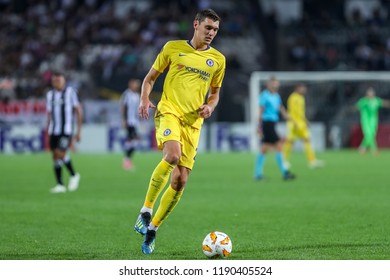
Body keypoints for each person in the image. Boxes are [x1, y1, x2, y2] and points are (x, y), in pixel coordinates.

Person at [134, 9, 225, 254]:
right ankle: (145, 210)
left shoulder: (218, 59)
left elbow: (215, 93)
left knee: (180, 179)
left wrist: (210, 106)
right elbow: (150, 78)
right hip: (169, 111)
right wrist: (144, 99)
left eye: (215, 30)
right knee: (172, 155)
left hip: (193, 123)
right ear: (195, 24)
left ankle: (152, 229)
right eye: (207, 28)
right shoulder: (173, 48)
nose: (211, 33)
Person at [45, 71, 82, 193]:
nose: (57, 82)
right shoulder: (50, 95)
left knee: (60, 153)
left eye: (59, 80)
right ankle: (60, 185)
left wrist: (78, 131)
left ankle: (74, 174)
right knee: (55, 156)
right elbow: (49, 114)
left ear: (64, 80)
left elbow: (78, 111)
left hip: (66, 130)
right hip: (53, 130)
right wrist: (47, 130)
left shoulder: (70, 92)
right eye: (54, 80)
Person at [254, 77, 295, 181]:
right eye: (273, 84)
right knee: (279, 146)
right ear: (268, 85)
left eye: (276, 84)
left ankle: (258, 174)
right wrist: (259, 126)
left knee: (264, 148)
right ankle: (285, 173)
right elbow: (260, 110)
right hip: (267, 123)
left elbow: (281, 109)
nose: (275, 85)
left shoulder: (277, 96)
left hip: (273, 124)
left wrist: (290, 118)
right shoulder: (264, 96)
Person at [283, 83, 324, 168]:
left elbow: (301, 113)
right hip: (294, 124)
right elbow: (291, 112)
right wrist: (294, 123)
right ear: (297, 88)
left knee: (307, 140)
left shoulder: (301, 98)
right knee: (290, 142)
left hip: (301, 123)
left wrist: (305, 121)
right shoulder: (293, 98)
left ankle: (312, 161)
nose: (304, 90)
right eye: (302, 88)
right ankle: (284, 161)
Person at [355, 87, 390, 154]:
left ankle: (362, 148)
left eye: (372, 93)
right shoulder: (364, 101)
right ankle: (374, 149)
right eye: (369, 93)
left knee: (372, 134)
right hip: (366, 121)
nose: (371, 94)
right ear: (367, 94)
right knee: (368, 134)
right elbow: (357, 106)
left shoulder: (376, 101)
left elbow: (384, 103)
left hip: (373, 120)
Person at [120, 78, 141, 170]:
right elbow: (123, 107)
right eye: (135, 84)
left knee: (133, 141)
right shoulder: (127, 94)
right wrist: (124, 120)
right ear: (131, 84)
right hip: (129, 121)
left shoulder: (137, 95)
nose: (136, 86)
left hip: (135, 121)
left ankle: (127, 160)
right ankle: (126, 161)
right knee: (133, 140)